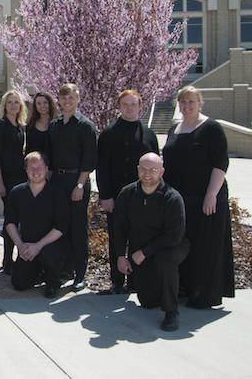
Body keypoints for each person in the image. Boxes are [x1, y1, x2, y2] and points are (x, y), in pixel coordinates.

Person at [162, 85, 234, 308]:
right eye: (183, 102)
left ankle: (204, 296)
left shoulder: (211, 128)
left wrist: (211, 194)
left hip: (206, 201)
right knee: (184, 246)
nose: (186, 106)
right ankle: (185, 288)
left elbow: (220, 163)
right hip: (181, 202)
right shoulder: (175, 129)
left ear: (200, 103)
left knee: (205, 248)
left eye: (191, 102)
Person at [115, 152, 189, 331]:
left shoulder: (172, 198)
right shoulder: (127, 194)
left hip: (172, 246)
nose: (147, 174)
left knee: (165, 259)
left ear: (162, 172)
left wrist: (145, 252)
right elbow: (119, 227)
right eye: (143, 169)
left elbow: (174, 236)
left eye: (153, 170)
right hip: (144, 249)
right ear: (138, 170)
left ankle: (171, 311)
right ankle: (170, 288)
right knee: (147, 302)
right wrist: (120, 256)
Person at [96, 90, 159, 294]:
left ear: (140, 107)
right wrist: (105, 195)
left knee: (141, 238)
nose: (129, 108)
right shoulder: (108, 134)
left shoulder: (149, 134)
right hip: (116, 198)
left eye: (133, 104)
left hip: (144, 197)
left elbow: (156, 167)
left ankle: (137, 280)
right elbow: (102, 168)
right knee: (117, 239)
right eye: (125, 104)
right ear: (119, 107)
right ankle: (117, 281)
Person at [44, 83, 97, 291]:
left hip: (77, 182)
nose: (67, 101)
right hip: (57, 181)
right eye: (64, 98)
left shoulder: (85, 126)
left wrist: (80, 185)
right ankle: (63, 269)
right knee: (59, 227)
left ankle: (80, 273)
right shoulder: (54, 125)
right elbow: (49, 157)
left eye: (71, 98)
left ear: (78, 99)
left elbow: (90, 160)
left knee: (77, 228)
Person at [4, 151, 69, 298]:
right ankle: (38, 272)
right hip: (27, 245)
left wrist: (38, 246)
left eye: (40, 167)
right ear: (25, 169)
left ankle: (53, 282)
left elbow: (61, 226)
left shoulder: (57, 194)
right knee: (19, 283)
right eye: (31, 167)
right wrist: (20, 245)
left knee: (48, 254)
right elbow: (10, 222)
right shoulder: (17, 192)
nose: (36, 171)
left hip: (51, 246)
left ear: (47, 168)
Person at [0, 90, 28, 275]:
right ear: (5, 105)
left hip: (21, 178)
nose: (13, 105)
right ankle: (7, 261)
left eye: (16, 102)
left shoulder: (21, 125)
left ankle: (17, 258)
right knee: (10, 219)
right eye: (10, 102)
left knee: (19, 219)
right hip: (6, 178)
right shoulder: (0, 125)